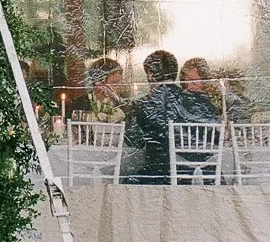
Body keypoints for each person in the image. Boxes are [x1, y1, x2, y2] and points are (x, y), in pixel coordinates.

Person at [124, 50, 216, 184]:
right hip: (201, 174)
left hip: (159, 175)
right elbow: (214, 138)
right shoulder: (199, 101)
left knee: (126, 182)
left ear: (150, 75)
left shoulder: (141, 105)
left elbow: (134, 141)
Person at [83, 57, 127, 122]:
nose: (118, 87)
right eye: (114, 83)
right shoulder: (81, 104)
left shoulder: (123, 105)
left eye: (119, 83)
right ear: (98, 82)